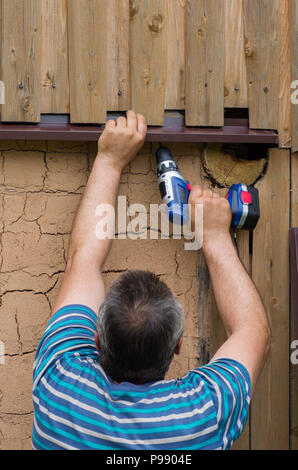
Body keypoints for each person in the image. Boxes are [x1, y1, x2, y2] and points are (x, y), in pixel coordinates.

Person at [32, 111, 271, 450]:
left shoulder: (60, 384)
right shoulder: (202, 415)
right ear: (178, 346)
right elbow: (253, 331)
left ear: (97, 340)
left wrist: (110, 160)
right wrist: (215, 235)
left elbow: (81, 263)